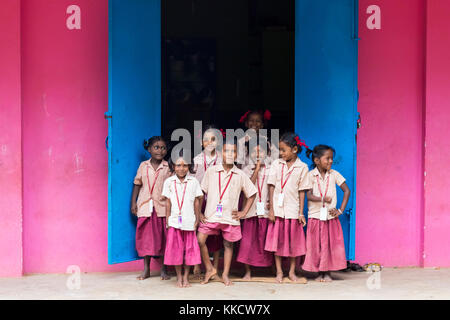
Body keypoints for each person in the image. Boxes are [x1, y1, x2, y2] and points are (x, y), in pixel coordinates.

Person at [197, 141, 257, 286]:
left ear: (237, 155)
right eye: (226, 151)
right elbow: (200, 193)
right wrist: (199, 212)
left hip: (230, 217)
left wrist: (244, 212)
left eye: (233, 151)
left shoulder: (240, 174)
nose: (229, 154)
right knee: (200, 239)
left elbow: (252, 194)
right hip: (211, 214)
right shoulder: (211, 171)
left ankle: (224, 274)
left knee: (228, 245)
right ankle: (210, 269)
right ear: (220, 153)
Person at [265, 132, 311, 283]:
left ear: (295, 150)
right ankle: (279, 272)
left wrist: (300, 213)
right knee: (276, 243)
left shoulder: (302, 167)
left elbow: (302, 191)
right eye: (280, 150)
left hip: (292, 210)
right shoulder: (276, 164)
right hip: (278, 211)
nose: (281, 153)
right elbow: (271, 187)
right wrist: (271, 209)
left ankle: (291, 272)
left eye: (284, 150)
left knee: (294, 244)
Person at [302, 145, 350, 282]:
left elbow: (347, 191)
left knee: (329, 245)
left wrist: (340, 210)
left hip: (330, 218)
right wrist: (322, 199)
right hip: (315, 217)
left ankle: (327, 273)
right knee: (316, 246)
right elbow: (309, 196)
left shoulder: (334, 174)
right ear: (317, 161)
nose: (330, 161)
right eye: (327, 158)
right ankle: (319, 273)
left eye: (331, 159)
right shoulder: (310, 175)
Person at [130, 136, 171, 281]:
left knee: (163, 239)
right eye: (156, 147)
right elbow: (137, 183)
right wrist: (133, 203)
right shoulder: (143, 165)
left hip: (162, 207)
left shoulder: (168, 167)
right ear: (149, 149)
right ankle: (146, 269)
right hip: (145, 206)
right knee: (145, 238)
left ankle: (163, 269)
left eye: (163, 147)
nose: (160, 150)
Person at [162, 155, 204, 288]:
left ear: (189, 167)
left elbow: (197, 202)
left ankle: (186, 277)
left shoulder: (193, 181)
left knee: (188, 251)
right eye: (178, 165)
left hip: (189, 222)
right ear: (173, 166)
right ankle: (179, 277)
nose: (181, 168)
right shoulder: (169, 182)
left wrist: (197, 218)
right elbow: (168, 202)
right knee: (176, 251)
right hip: (174, 222)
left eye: (185, 165)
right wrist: (168, 219)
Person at [236, 137, 274, 279]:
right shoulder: (246, 169)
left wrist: (272, 204)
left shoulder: (272, 169)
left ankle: (271, 267)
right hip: (250, 211)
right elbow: (247, 187)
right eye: (254, 152)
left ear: (267, 152)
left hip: (265, 210)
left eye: (261, 151)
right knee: (248, 242)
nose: (257, 155)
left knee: (266, 241)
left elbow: (274, 188)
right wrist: (256, 170)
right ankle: (247, 271)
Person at [192, 126, 223, 277]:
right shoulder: (196, 160)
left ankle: (215, 266)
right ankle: (197, 264)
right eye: (206, 139)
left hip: (216, 201)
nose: (209, 142)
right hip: (199, 200)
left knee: (216, 234)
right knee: (197, 232)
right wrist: (199, 210)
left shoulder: (222, 159)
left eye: (213, 139)